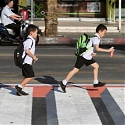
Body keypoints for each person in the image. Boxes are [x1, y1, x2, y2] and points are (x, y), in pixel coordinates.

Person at [59, 24, 114, 93]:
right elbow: (97, 48)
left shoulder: (95, 37)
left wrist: (92, 52)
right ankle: (63, 82)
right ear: (100, 31)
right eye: (104, 33)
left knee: (96, 66)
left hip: (88, 57)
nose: (104, 35)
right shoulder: (96, 38)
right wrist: (108, 50)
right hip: (83, 57)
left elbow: (90, 47)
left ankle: (95, 82)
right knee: (75, 70)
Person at [15, 24, 38, 96]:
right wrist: (34, 57)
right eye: (36, 32)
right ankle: (19, 87)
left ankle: (20, 90)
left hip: (27, 62)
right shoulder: (29, 41)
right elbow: (27, 51)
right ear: (31, 32)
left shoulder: (31, 40)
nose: (36, 34)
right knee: (30, 76)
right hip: (25, 62)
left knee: (26, 76)